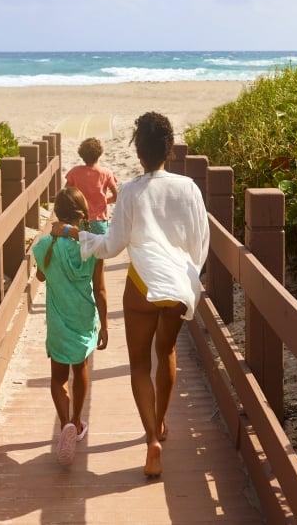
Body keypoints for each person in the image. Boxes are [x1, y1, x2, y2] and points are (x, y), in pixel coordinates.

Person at [51, 112, 209, 478]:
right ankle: (162, 421)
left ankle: (151, 437)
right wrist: (188, 278)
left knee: (139, 364)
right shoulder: (189, 188)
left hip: (141, 284)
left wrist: (75, 234)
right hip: (177, 285)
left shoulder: (132, 192)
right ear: (169, 149)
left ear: (138, 153)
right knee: (166, 353)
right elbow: (200, 242)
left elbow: (111, 246)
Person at [32, 186, 109, 466]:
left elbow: (41, 277)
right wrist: (104, 325)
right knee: (81, 367)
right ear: (83, 214)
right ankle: (76, 421)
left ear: (56, 213)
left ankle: (64, 422)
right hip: (84, 316)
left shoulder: (44, 245)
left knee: (58, 377)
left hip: (58, 319)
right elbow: (100, 289)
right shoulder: (91, 247)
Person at [65, 137, 119, 303]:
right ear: (99, 154)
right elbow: (116, 195)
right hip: (100, 223)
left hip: (81, 221)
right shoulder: (106, 173)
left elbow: (66, 194)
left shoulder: (74, 172)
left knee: (81, 258)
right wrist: (104, 202)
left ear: (82, 154)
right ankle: (99, 294)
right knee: (98, 266)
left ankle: (82, 294)